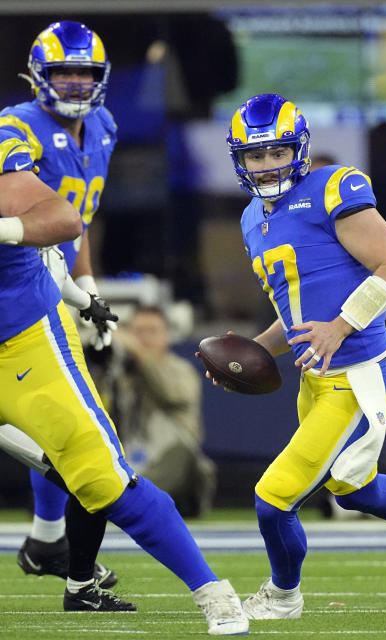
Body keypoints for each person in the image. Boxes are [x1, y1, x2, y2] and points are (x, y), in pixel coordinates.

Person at [215, 93, 386, 619]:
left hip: (358, 373)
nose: (267, 165)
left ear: (300, 149)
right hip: (317, 376)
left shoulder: (333, 187)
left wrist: (340, 326)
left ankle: (284, 595)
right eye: (255, 155)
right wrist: (252, 351)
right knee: (353, 489)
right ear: (239, 160)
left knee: (273, 497)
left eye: (277, 152)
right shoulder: (252, 218)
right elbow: (296, 314)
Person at [0, 107, 246, 633]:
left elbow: (65, 221)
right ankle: (49, 544)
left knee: (99, 473)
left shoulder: (11, 145)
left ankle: (210, 590)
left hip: (19, 342)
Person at [0, 19, 124, 603]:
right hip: (20, 291)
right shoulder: (16, 128)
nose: (75, 84)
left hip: (52, 288)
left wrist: (88, 287)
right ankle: (52, 546)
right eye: (62, 72)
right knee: (67, 431)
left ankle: (48, 541)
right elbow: (34, 227)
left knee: (65, 425)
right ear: (37, 75)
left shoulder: (102, 126)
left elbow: (78, 219)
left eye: (85, 72)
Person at [95, 306, 217, 518]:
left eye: (152, 331)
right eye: (138, 332)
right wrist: (103, 364)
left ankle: (122, 497)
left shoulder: (181, 370)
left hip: (175, 467)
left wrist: (136, 351)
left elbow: (169, 393)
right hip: (131, 460)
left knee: (180, 451)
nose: (144, 338)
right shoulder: (120, 375)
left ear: (166, 336)